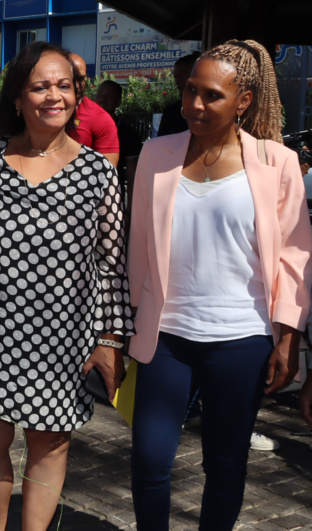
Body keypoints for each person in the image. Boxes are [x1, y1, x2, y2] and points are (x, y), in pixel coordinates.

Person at [128, 40, 311, 531]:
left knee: (226, 465)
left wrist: (288, 337)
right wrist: (125, 326)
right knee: (149, 461)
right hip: (166, 335)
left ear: (243, 101)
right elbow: (139, 247)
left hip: (242, 338)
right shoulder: (156, 154)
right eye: (190, 91)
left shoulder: (277, 162)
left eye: (211, 95)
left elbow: (296, 257)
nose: (195, 106)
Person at [0, 41, 133, 531]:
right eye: (39, 86)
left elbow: (111, 265)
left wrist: (110, 340)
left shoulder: (99, 174)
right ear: (18, 97)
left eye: (64, 85)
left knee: (50, 444)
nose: (53, 96)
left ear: (77, 95)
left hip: (62, 341)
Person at [67, 52, 120, 167]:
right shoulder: (39, 111)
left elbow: (106, 175)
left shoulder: (100, 119)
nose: (76, 85)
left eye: (81, 78)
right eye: (71, 78)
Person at [156, 51, 201, 137]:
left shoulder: (210, 108)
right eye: (175, 77)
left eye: (180, 76)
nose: (177, 81)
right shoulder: (172, 112)